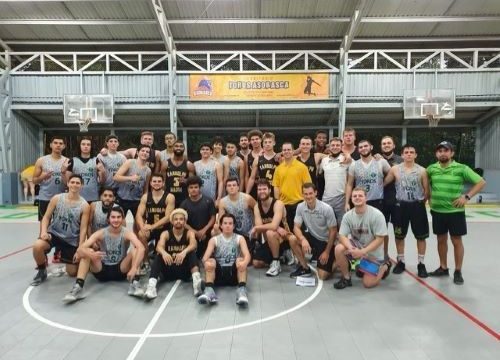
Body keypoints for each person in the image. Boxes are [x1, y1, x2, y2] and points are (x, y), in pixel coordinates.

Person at [426, 141, 486, 285]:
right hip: (437, 211)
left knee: (456, 241)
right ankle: (443, 267)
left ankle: (458, 270)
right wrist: (428, 198)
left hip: (455, 212)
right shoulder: (431, 169)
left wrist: (466, 197)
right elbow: (426, 183)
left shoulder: (461, 168)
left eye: (446, 150)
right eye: (440, 151)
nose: (443, 153)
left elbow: (481, 182)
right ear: (436, 154)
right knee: (441, 240)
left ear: (452, 153)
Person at [62, 206, 145, 303]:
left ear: (122, 219)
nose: (116, 220)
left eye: (118, 217)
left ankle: (135, 283)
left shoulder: (127, 233)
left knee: (136, 250)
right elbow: (80, 249)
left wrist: (134, 268)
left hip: (121, 268)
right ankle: (78, 288)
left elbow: (142, 248)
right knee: (87, 252)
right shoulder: (101, 233)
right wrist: (91, 255)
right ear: (108, 219)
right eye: (113, 217)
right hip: (102, 269)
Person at [30, 174, 90, 286]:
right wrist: (43, 232)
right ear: (68, 183)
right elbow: (46, 217)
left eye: (78, 183)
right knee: (37, 246)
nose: (75, 185)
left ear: (82, 185)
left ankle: (72, 263)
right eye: (72, 182)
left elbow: (83, 228)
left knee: (72, 273)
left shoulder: (84, 205)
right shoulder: (57, 198)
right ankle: (42, 270)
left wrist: (80, 247)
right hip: (54, 234)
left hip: (71, 239)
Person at [384, 144, 430, 277]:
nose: (409, 154)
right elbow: (383, 184)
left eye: (411, 152)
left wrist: (422, 202)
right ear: (402, 155)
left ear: (415, 155)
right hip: (400, 206)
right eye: (406, 152)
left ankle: (421, 263)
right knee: (399, 235)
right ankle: (401, 261)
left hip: (417, 206)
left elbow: (427, 191)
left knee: (421, 237)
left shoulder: (422, 171)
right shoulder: (395, 169)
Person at [334, 187, 392, 290]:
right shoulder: (348, 216)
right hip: (358, 248)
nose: (357, 198)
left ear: (366, 198)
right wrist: (351, 248)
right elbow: (342, 235)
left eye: (360, 196)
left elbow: (380, 239)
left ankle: (384, 266)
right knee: (339, 248)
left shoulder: (377, 215)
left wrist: (363, 252)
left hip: (373, 252)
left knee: (367, 284)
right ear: (351, 199)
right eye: (354, 196)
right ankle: (346, 278)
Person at [144, 209, 203, 299]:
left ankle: (196, 283)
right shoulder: (166, 233)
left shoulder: (189, 233)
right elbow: (159, 247)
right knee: (159, 255)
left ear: (185, 221)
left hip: (184, 270)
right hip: (169, 269)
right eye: (176, 219)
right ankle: (151, 286)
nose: (178, 221)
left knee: (191, 253)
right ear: (172, 221)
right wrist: (164, 253)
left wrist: (184, 252)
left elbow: (193, 244)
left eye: (181, 219)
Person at [197, 214, 251, 306]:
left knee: (241, 260)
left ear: (234, 226)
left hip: (233, 274)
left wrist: (245, 263)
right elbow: (204, 258)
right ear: (221, 225)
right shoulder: (214, 240)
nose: (227, 225)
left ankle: (242, 292)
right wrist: (206, 263)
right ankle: (209, 291)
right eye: (225, 223)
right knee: (211, 261)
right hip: (219, 275)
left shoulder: (239, 238)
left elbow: (247, 255)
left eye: (230, 223)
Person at [290, 183, 337, 279]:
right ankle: (304, 267)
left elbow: (333, 231)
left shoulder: (326, 209)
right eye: (305, 194)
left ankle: (337, 261)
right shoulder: (300, 207)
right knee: (292, 239)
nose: (308, 196)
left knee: (323, 276)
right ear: (302, 194)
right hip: (312, 236)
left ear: (316, 193)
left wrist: (327, 252)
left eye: (310, 193)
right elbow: (296, 227)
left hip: (325, 241)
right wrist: (303, 239)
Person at [251, 179, 297, 277]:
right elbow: (260, 226)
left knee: (269, 232)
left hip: (285, 238)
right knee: (256, 263)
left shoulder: (278, 203)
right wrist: (274, 227)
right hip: (271, 241)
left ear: (269, 190)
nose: (262, 191)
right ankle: (280, 256)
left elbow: (269, 226)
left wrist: (273, 227)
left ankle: (277, 261)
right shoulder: (257, 206)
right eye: (259, 189)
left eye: (264, 189)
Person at [345, 140, 391, 234]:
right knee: (361, 231)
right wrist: (346, 202)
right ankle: (363, 249)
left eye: (366, 146)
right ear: (358, 150)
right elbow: (349, 184)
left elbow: (392, 174)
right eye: (361, 147)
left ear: (371, 147)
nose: (363, 148)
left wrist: (383, 183)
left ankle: (382, 249)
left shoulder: (381, 162)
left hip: (377, 201)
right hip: (360, 202)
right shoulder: (354, 164)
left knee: (380, 231)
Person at [136, 173, 175, 273]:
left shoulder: (169, 197)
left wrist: (152, 227)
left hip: (165, 229)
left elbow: (168, 218)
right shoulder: (145, 197)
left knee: (162, 256)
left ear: (163, 183)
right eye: (154, 181)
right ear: (150, 183)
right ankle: (146, 263)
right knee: (141, 234)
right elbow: (139, 215)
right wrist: (143, 227)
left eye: (159, 181)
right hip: (150, 228)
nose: (156, 183)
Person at [272, 142, 311, 230]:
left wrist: (306, 202)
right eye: (284, 150)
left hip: (299, 203)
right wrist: (278, 203)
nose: (287, 152)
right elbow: (276, 187)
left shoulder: (302, 167)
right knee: (287, 231)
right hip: (284, 204)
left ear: (293, 151)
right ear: (282, 152)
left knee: (300, 230)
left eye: (289, 149)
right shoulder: (278, 169)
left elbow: (308, 186)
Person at [113, 144, 152, 224]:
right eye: (143, 151)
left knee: (139, 224)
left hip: (137, 200)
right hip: (122, 198)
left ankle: (135, 236)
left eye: (147, 152)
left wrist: (145, 201)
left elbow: (146, 188)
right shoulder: (130, 162)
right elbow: (116, 177)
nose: (145, 153)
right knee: (120, 223)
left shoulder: (148, 170)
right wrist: (130, 178)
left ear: (149, 155)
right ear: (137, 152)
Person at [180, 176, 217, 259]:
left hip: (207, 232)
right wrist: (196, 233)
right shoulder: (184, 204)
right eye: (191, 187)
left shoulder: (208, 201)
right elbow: (183, 222)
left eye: (196, 187)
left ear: (200, 188)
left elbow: (213, 218)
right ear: (188, 189)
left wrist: (204, 230)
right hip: (192, 233)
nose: (193, 189)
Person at [33, 136, 67, 223]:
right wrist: (42, 177)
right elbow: (34, 180)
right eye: (55, 143)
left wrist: (63, 173)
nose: (58, 145)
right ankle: (43, 236)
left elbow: (68, 183)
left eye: (60, 143)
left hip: (61, 199)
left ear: (64, 146)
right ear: (51, 145)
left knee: (59, 225)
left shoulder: (67, 161)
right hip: (44, 197)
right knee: (44, 223)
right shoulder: (41, 160)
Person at [380, 136, 403, 260]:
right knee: (382, 232)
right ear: (381, 146)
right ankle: (384, 256)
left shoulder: (402, 160)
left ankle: (400, 259)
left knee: (398, 232)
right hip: (381, 202)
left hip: (397, 202)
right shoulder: (375, 160)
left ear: (394, 145)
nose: (386, 145)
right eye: (384, 143)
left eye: (389, 143)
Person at [320, 137, 351, 226]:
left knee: (342, 226)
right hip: (326, 198)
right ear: (329, 147)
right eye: (333, 145)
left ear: (341, 147)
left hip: (341, 198)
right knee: (326, 226)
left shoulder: (346, 159)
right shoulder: (324, 160)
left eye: (338, 145)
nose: (335, 147)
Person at [65, 137, 106, 203]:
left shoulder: (96, 160)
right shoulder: (72, 161)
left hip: (93, 196)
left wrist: (103, 172)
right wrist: (63, 172)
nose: (86, 146)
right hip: (76, 197)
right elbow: (67, 181)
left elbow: (102, 182)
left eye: (88, 144)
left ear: (91, 147)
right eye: (83, 144)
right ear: (79, 146)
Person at [160, 140, 195, 208]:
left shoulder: (189, 164)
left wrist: (186, 181)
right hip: (169, 197)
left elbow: (192, 183)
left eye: (181, 146)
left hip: (184, 197)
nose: (178, 148)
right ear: (173, 148)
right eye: (176, 146)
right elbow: (162, 183)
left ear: (184, 149)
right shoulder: (165, 163)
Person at [245, 129, 263, 197]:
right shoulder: (247, 157)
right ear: (249, 142)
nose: (255, 141)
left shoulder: (266, 153)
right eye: (252, 139)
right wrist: (247, 192)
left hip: (265, 186)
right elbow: (247, 175)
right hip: (252, 187)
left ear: (261, 139)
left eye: (257, 139)